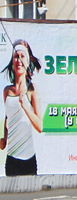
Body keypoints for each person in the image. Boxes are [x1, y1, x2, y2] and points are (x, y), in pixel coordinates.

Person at [1, 39, 44, 176]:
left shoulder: (32, 90)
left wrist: (25, 107)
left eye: (22, 56)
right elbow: (8, 117)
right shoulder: (7, 91)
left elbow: (40, 126)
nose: (18, 60)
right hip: (11, 157)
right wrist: (4, 138)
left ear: (27, 62)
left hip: (28, 157)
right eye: (16, 56)